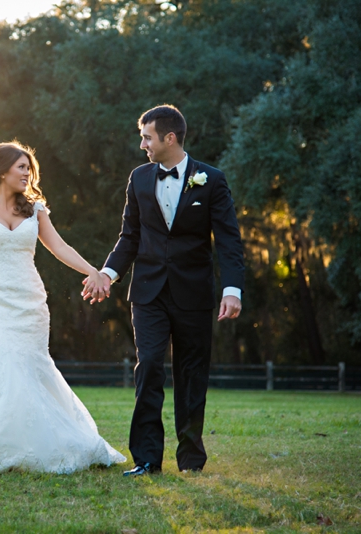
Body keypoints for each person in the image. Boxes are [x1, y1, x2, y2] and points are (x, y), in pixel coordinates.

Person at [0, 141, 126, 473]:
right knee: (2, 364)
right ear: (1, 170)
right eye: (21, 167)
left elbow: (59, 246)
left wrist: (93, 270)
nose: (27, 173)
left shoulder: (36, 211)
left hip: (30, 302)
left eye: (28, 168)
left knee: (30, 367)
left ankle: (41, 444)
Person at [83, 104, 245, 476]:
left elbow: (229, 241)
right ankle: (146, 459)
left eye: (147, 137)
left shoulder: (212, 179)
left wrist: (232, 289)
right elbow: (130, 236)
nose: (143, 144)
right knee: (150, 365)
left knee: (191, 374)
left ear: (169, 138)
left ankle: (190, 462)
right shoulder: (139, 179)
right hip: (148, 293)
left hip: (195, 294)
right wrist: (107, 274)